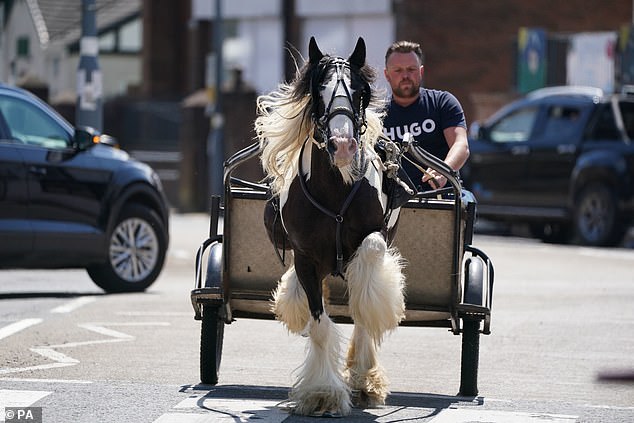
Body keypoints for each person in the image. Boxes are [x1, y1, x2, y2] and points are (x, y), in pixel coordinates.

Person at [382, 40, 469, 190]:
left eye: (411, 69)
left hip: (439, 198)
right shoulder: (376, 114)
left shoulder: (443, 102)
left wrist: (444, 171)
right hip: (389, 201)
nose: (405, 76)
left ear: (421, 72)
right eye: (398, 70)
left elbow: (461, 145)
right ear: (387, 75)